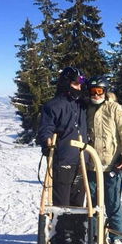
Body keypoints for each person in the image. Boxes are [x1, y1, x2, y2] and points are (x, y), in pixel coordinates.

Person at [86, 76, 122, 244]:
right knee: (93, 203)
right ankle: (94, 233)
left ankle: (117, 235)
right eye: (93, 91)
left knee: (113, 203)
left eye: (99, 91)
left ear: (105, 92)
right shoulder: (87, 109)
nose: (96, 95)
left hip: (112, 163)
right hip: (92, 164)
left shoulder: (114, 108)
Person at [37, 66, 88, 207]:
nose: (78, 88)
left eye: (80, 85)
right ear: (66, 84)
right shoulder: (53, 106)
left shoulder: (82, 104)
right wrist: (46, 142)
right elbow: (46, 128)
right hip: (64, 159)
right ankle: (60, 228)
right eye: (75, 84)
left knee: (78, 204)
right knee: (62, 205)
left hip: (83, 161)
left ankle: (77, 229)